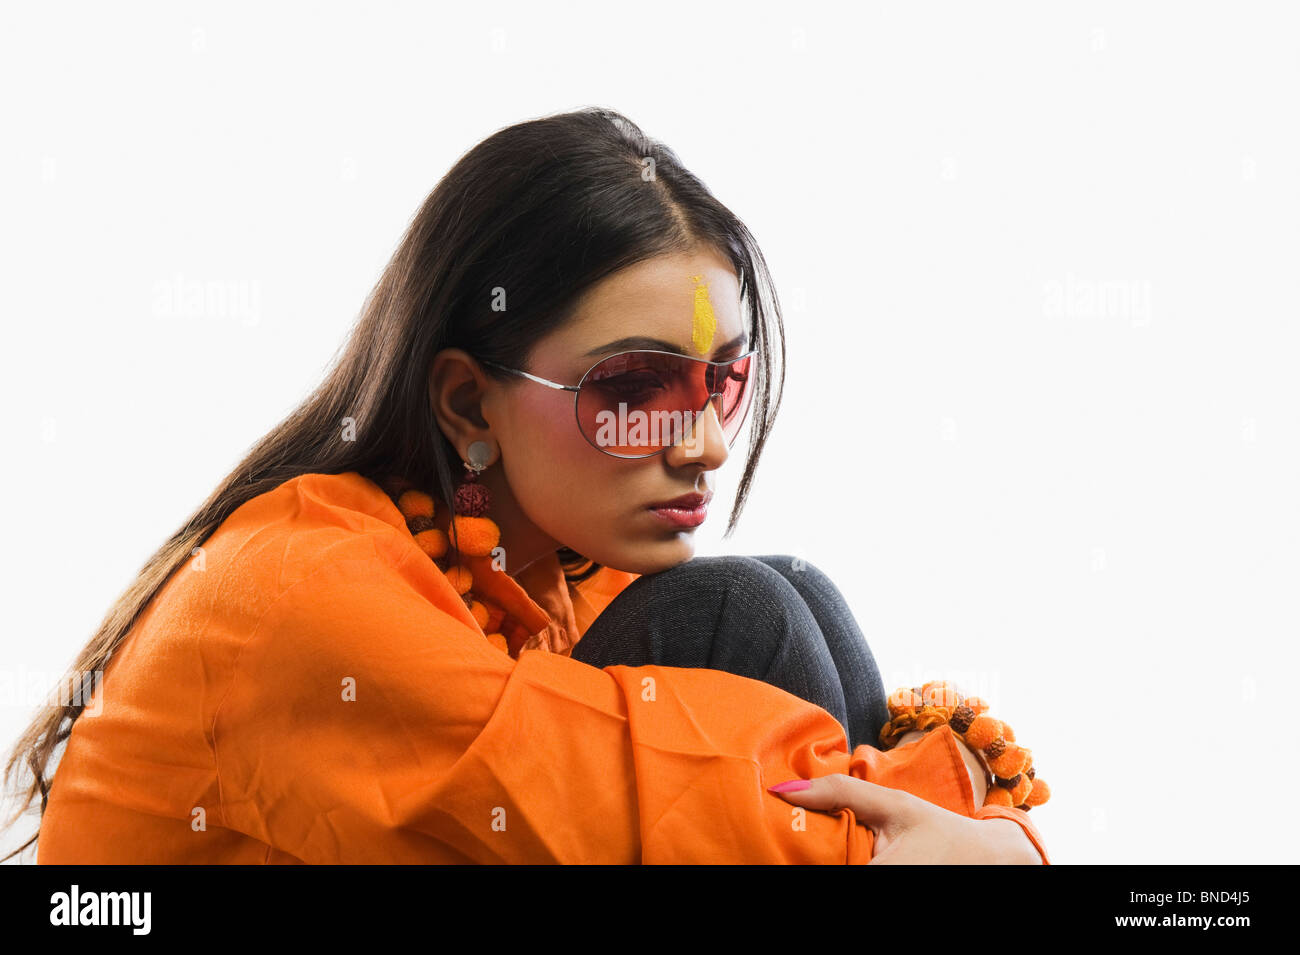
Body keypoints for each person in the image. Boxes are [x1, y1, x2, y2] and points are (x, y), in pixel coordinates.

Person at [2, 107, 1048, 864]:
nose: (705, 447)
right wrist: (964, 832)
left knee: (787, 589)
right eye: (631, 385)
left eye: (722, 380)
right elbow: (646, 804)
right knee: (746, 612)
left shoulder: (545, 572)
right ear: (466, 403)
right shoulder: (301, 592)